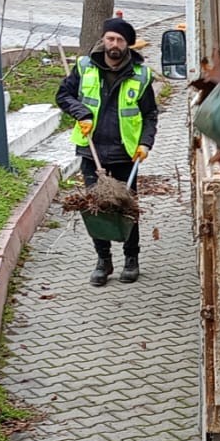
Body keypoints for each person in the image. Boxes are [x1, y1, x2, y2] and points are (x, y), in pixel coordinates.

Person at [56, 18, 158, 286]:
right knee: (96, 209)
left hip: (126, 154)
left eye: (120, 40)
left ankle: (131, 259)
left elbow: (150, 114)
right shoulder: (84, 67)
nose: (114, 44)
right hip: (92, 152)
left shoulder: (140, 75)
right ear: (103, 39)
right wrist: (81, 113)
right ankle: (103, 260)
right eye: (110, 38)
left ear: (128, 45)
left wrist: (145, 143)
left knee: (127, 208)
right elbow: (63, 96)